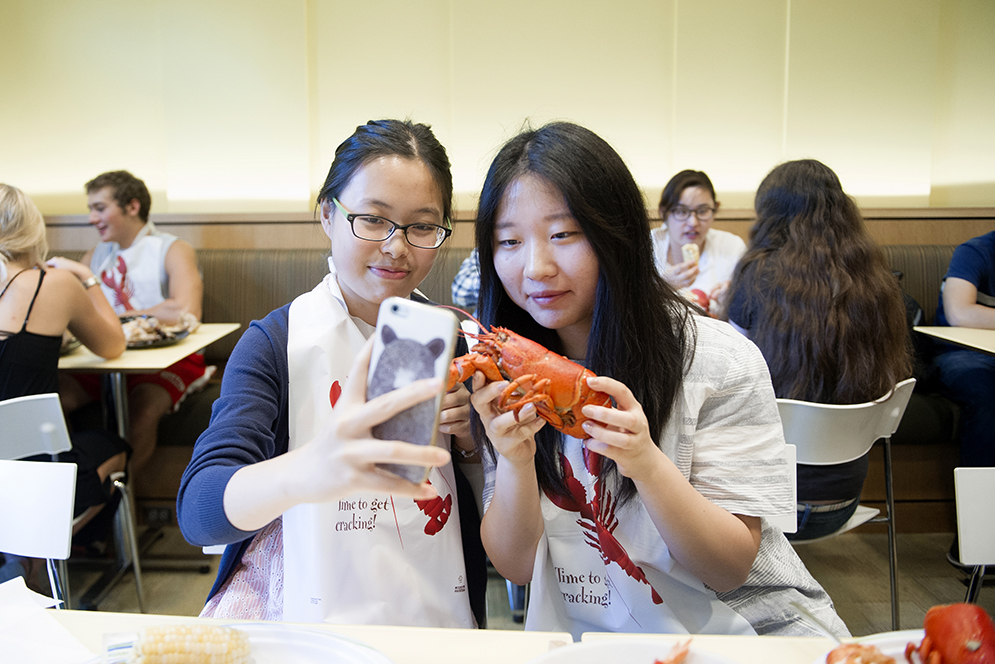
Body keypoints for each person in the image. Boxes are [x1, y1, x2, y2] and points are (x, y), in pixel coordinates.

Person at [469, 122, 848, 639]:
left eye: (563, 234)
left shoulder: (719, 360)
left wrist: (646, 464)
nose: (535, 266)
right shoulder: (501, 373)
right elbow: (516, 567)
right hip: (600, 638)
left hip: (750, 635)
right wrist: (514, 461)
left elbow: (728, 568)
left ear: (616, 234)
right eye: (508, 240)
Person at [177, 119, 485, 627]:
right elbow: (199, 508)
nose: (396, 246)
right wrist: (314, 467)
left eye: (422, 227)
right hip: (307, 618)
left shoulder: (456, 340)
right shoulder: (274, 343)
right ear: (328, 214)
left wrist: (473, 441)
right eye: (372, 219)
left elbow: (493, 516)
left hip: (436, 613)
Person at [724, 159, 912, 541]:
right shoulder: (878, 282)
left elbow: (732, 360)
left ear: (770, 216)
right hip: (844, 504)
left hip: (762, 506)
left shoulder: (758, 274)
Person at [0, 183, 129, 590]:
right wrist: (89, 279)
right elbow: (113, 345)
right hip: (34, 478)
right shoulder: (52, 283)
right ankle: (38, 552)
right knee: (119, 448)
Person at [52, 170, 208, 478]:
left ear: (132, 207)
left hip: (170, 360)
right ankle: (70, 488)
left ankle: (116, 507)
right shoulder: (95, 256)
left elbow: (186, 311)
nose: (91, 218)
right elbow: (73, 311)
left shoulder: (174, 249)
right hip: (107, 357)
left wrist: (112, 317)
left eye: (99, 208)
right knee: (53, 400)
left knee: (142, 412)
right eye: (90, 209)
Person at [653, 170, 745, 316]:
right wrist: (662, 287)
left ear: (716, 208)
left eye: (703, 211)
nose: (693, 222)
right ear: (663, 212)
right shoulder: (647, 247)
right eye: (681, 211)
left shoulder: (731, 246)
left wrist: (735, 298)